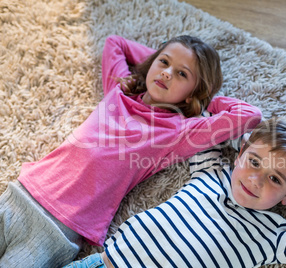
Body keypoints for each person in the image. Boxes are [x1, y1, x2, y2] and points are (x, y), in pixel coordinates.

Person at [0, 35, 262, 267]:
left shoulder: (177, 132)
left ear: (193, 91)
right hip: (19, 194)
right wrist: (154, 65)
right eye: (164, 62)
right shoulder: (119, 90)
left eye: (182, 74)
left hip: (56, 229)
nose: (168, 73)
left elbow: (249, 115)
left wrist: (206, 98)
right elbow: (116, 43)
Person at [64, 117, 286, 268]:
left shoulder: (275, 236)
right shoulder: (211, 175)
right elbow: (205, 128)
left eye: (275, 179)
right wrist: (247, 140)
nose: (255, 180)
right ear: (241, 153)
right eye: (254, 162)